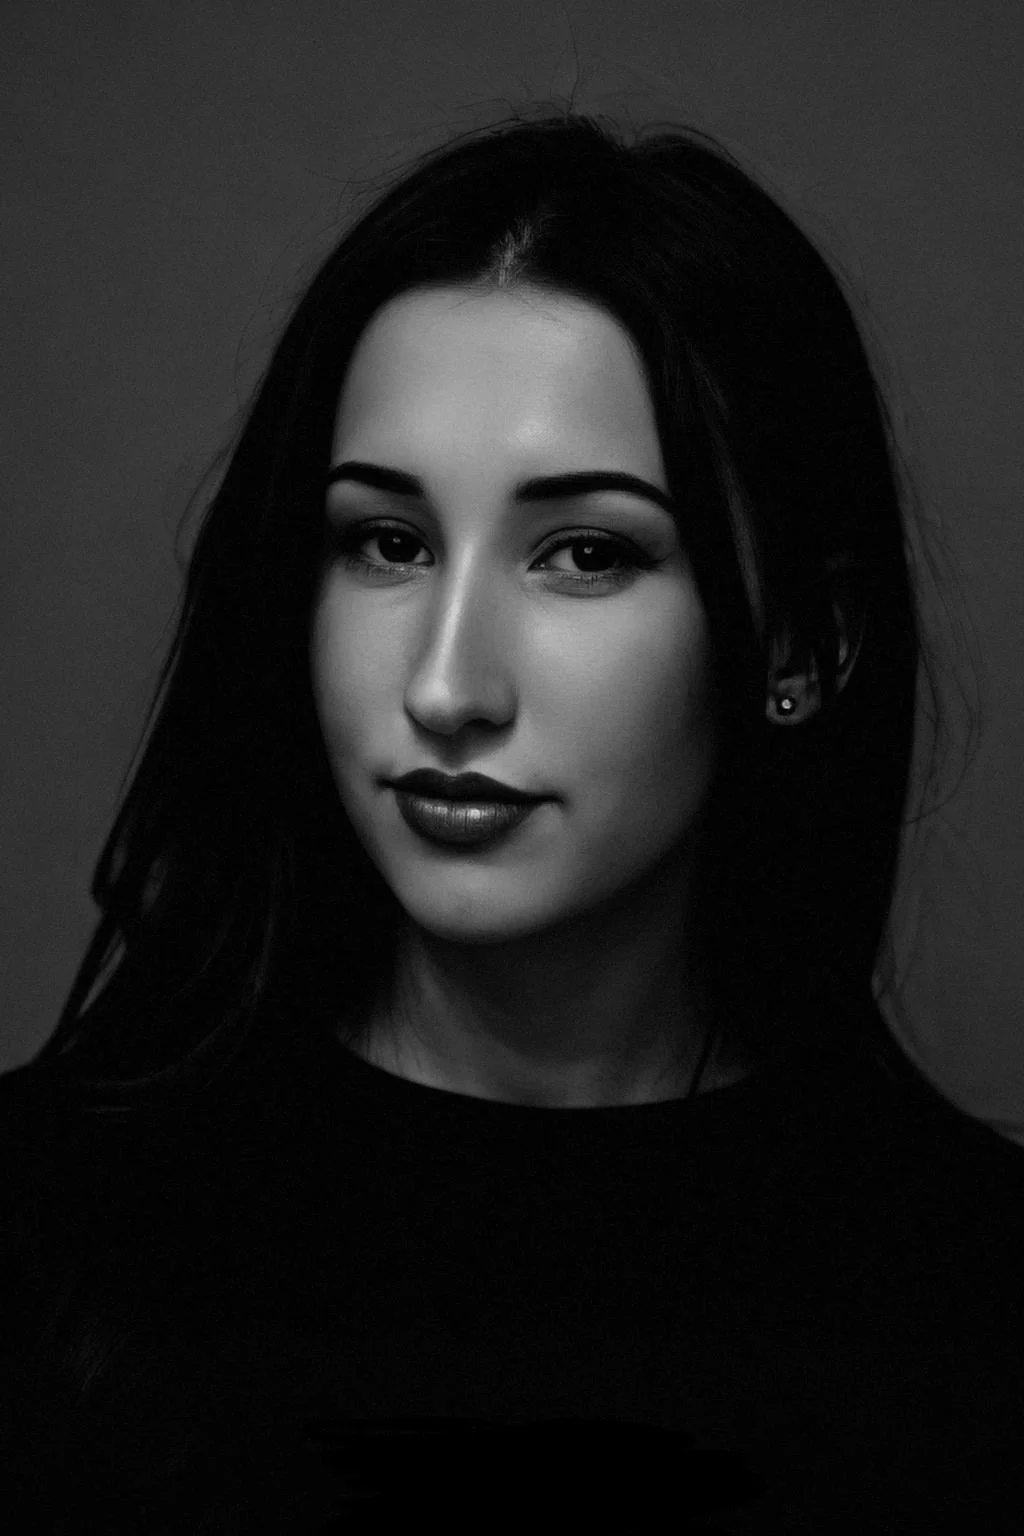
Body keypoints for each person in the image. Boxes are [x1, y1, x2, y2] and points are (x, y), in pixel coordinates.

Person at [2, 110, 1022, 1534]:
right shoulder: (49, 1234)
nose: (444, 685)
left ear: (805, 645)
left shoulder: (978, 1303)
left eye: (586, 553)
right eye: (387, 543)